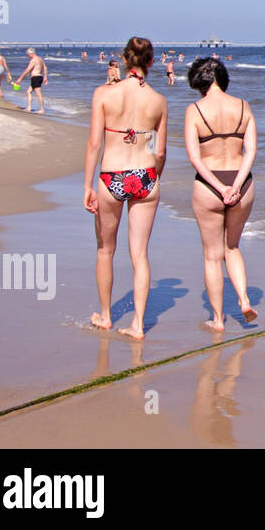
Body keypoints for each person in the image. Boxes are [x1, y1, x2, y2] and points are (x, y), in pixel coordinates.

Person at [83, 37, 167, 339]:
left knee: (105, 249)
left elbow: (95, 143)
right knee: (140, 254)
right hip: (145, 176)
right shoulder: (158, 100)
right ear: (151, 62)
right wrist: (154, 177)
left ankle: (106, 316)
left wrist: (87, 185)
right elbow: (160, 152)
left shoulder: (103, 94)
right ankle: (138, 324)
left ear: (124, 58)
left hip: (112, 177)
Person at [184, 58, 258, 331]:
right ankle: (244, 299)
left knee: (212, 256)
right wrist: (236, 185)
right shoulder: (243, 106)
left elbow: (195, 158)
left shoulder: (195, 110)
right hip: (243, 183)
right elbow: (250, 152)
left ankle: (217, 320)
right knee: (233, 248)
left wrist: (220, 187)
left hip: (209, 186)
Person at [14, 48, 48, 114]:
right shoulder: (40, 59)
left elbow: (27, 70)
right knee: (28, 92)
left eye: (28, 55)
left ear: (31, 53)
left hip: (35, 77)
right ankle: (29, 107)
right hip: (40, 76)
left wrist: (20, 79)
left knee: (38, 93)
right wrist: (45, 77)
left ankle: (42, 109)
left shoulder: (33, 60)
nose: (28, 56)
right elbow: (45, 68)